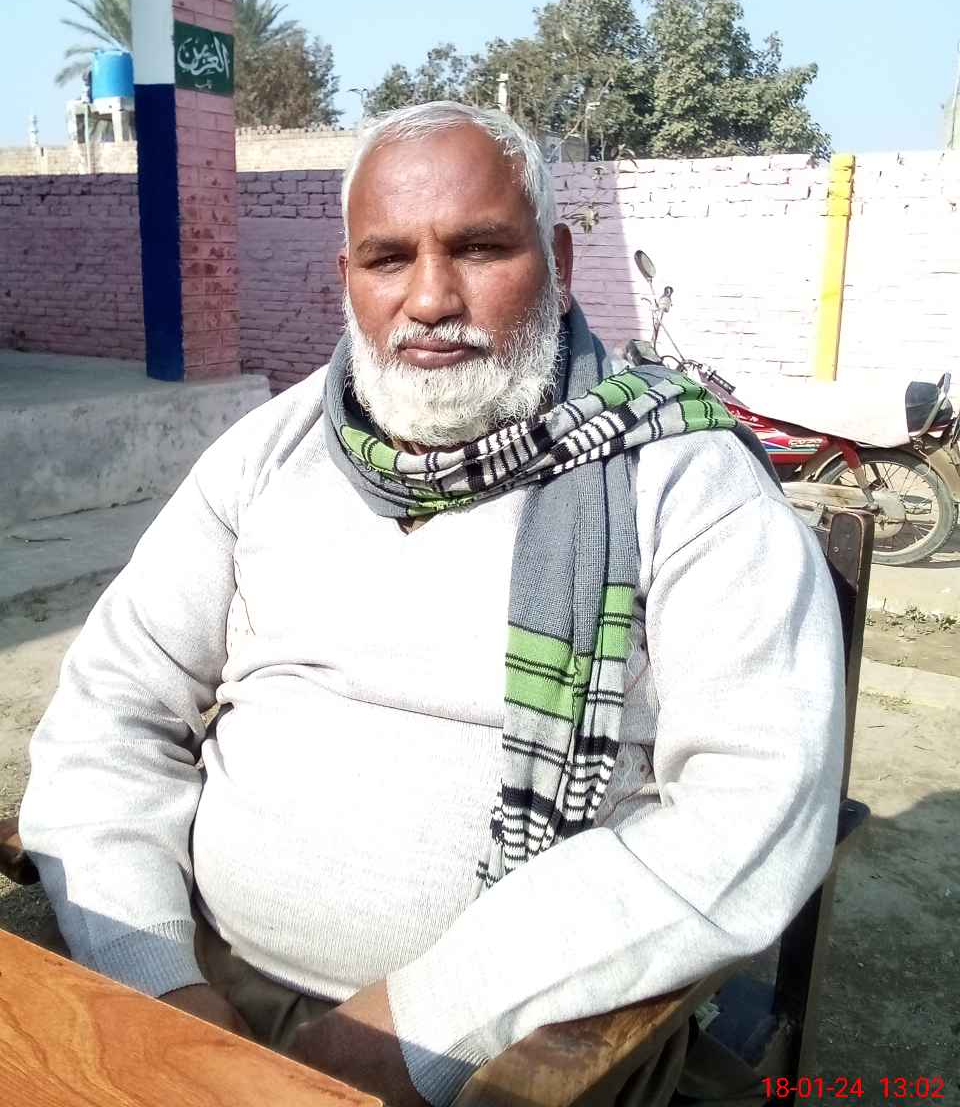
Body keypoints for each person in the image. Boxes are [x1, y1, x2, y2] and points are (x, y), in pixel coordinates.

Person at [20, 103, 844, 1107]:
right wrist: (158, 982)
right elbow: (109, 712)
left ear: (558, 261)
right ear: (347, 278)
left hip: (526, 1046)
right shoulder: (268, 452)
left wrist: (420, 1027)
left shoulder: (683, 481)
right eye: (387, 258)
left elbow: (754, 805)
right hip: (205, 992)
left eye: (480, 248)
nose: (430, 298)